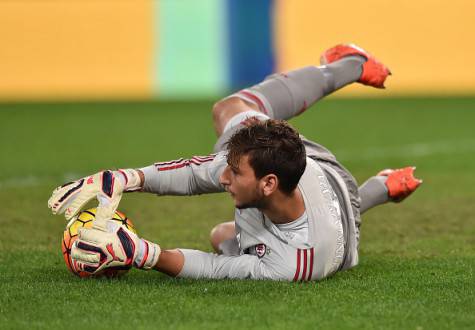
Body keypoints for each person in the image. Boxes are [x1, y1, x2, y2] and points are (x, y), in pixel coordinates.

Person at [48, 44, 422, 281]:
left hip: (340, 221)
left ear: (268, 183)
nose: (222, 176)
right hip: (325, 173)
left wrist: (144, 254)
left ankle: (379, 187)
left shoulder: (292, 264)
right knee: (230, 111)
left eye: (234, 171)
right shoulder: (274, 164)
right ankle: (349, 66)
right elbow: (197, 174)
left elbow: (215, 268)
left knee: (221, 237)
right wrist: (125, 178)